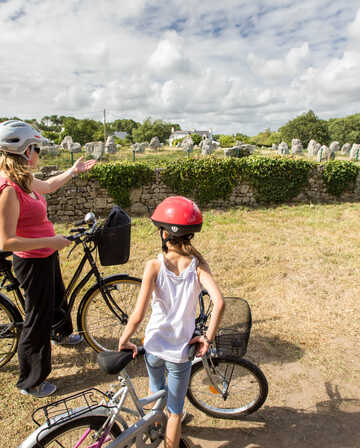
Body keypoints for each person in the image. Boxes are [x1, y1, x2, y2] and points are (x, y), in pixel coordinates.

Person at [118, 196, 225, 448]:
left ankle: (156, 430)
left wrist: (124, 340)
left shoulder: (154, 265)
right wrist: (206, 338)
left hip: (153, 346)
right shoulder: (198, 267)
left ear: (163, 234)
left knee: (155, 390)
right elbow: (219, 302)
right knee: (175, 410)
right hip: (179, 352)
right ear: (190, 235)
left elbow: (138, 314)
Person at [0, 120, 96, 398]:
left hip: (46, 253)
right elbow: (6, 241)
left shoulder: (24, 180)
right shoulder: (9, 190)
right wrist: (51, 241)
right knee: (37, 317)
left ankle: (62, 333)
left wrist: (73, 171)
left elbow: (50, 186)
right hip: (31, 260)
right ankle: (31, 382)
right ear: (25, 150)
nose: (39, 153)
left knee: (57, 296)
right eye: (36, 148)